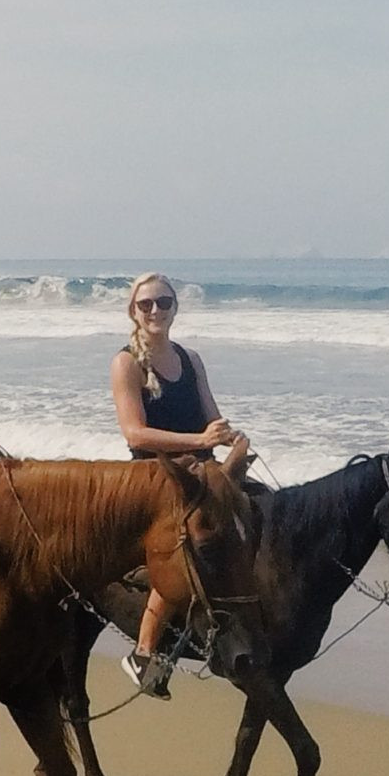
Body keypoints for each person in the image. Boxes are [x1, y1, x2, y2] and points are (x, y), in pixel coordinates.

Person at [109, 271, 247, 697]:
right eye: (146, 304)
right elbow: (134, 433)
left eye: (163, 303)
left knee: (254, 515)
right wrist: (197, 442)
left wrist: (227, 437)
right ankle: (146, 652)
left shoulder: (191, 360)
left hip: (201, 470)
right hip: (156, 475)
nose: (155, 311)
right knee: (180, 546)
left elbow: (210, 416)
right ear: (133, 311)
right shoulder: (126, 363)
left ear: (175, 307)